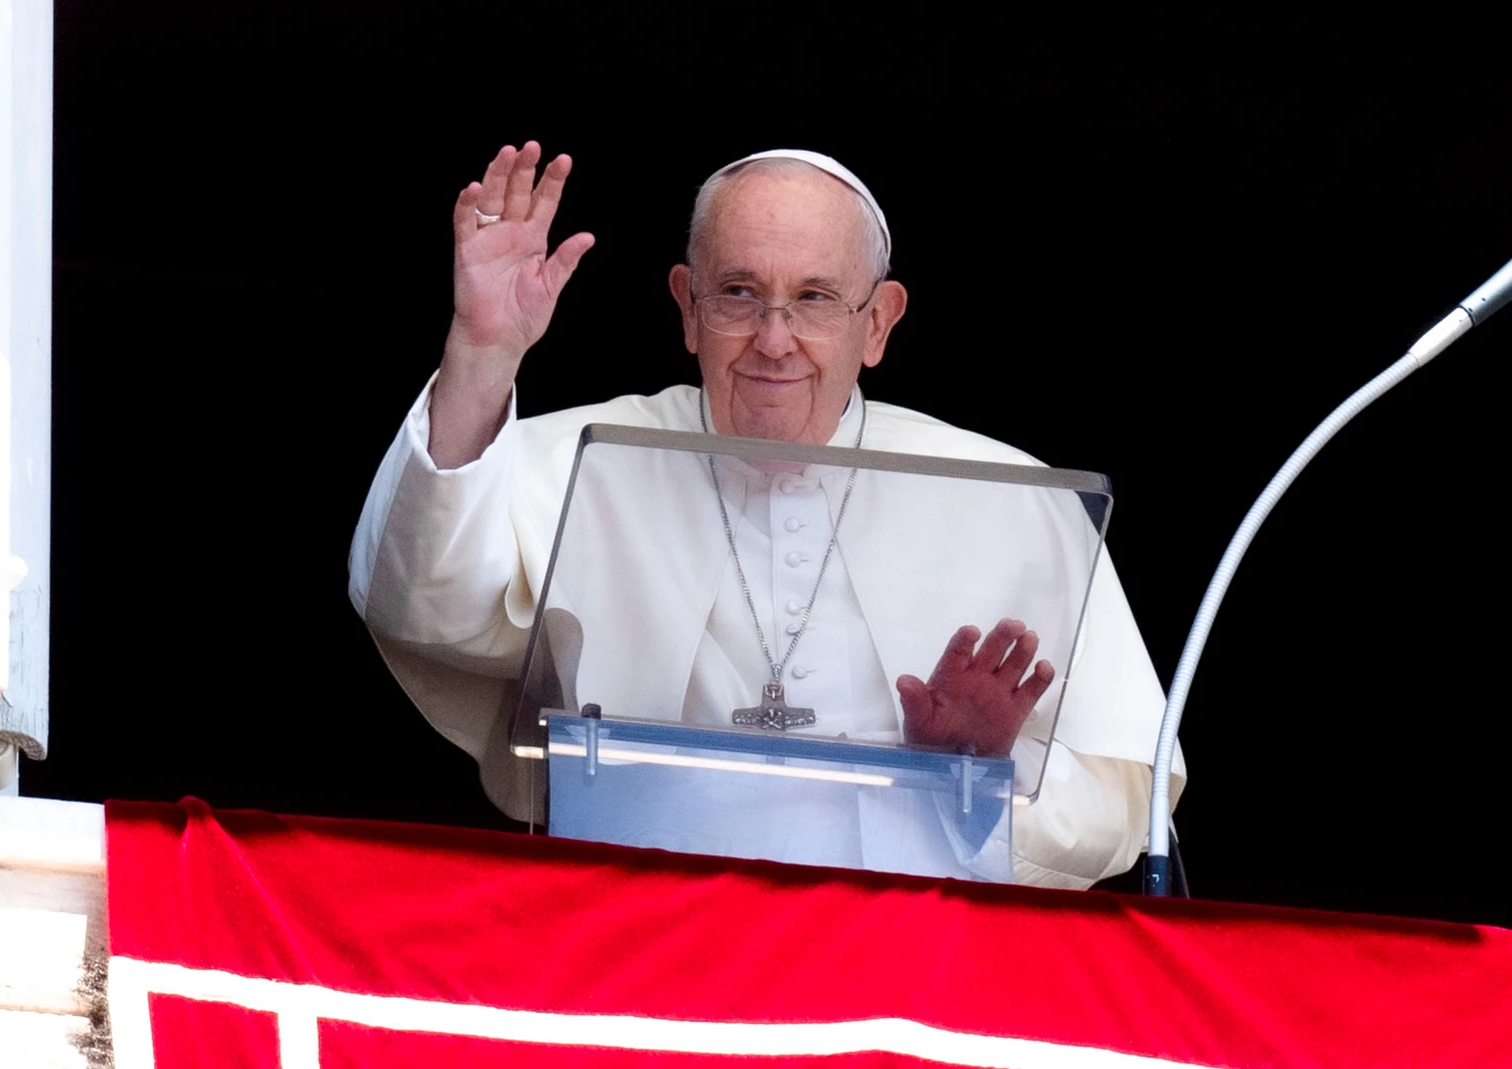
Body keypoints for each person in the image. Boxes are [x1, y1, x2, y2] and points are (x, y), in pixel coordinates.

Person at [350, 143, 1183, 888]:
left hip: (916, 968)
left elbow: (1129, 792)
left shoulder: (1012, 498)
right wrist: (483, 356)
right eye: (739, 294)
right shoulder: (579, 458)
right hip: (639, 940)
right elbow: (424, 605)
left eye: (816, 297)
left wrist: (974, 775)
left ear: (879, 323)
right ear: (686, 306)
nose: (774, 340)